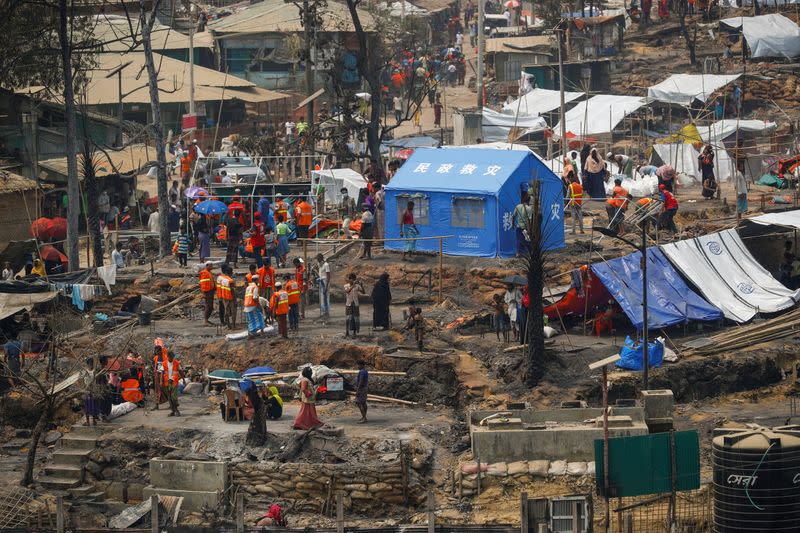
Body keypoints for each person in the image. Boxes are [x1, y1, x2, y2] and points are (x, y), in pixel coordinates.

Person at [344, 273, 365, 337]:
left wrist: (361, 285)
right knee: (348, 318)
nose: (352, 281)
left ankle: (354, 332)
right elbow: (347, 291)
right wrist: (353, 285)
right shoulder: (346, 286)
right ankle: (347, 331)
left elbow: (363, 292)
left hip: (355, 304)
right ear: (349, 279)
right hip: (348, 304)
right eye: (351, 279)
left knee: (355, 319)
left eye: (353, 279)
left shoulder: (357, 286)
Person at [216, 264, 236, 330]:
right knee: (233, 312)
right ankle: (233, 326)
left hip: (224, 297)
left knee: (226, 311)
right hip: (230, 297)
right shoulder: (230, 281)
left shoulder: (221, 278)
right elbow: (232, 291)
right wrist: (235, 300)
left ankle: (228, 325)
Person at [315, 253, 331, 319]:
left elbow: (328, 276)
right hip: (321, 283)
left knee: (326, 298)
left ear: (321, 258)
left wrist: (326, 287)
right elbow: (320, 274)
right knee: (321, 297)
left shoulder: (326, 265)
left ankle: (327, 312)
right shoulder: (319, 264)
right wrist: (315, 271)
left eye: (318, 259)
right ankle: (323, 312)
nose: (317, 261)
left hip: (325, 283)